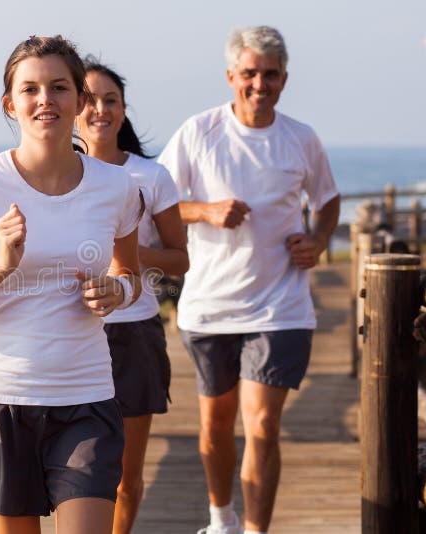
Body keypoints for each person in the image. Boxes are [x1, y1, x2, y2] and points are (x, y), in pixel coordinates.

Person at [0, 36, 144, 534]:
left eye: (59, 87)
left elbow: (130, 275)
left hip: (86, 399)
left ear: (81, 101)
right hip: (1, 404)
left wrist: (118, 292)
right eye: (31, 89)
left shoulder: (117, 187)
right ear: (11, 104)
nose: (46, 100)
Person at [157, 26, 340, 534]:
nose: (260, 84)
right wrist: (205, 210)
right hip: (209, 306)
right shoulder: (199, 132)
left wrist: (319, 239)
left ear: (285, 79)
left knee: (261, 425)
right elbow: (158, 201)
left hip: (280, 306)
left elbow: (327, 201)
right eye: (251, 74)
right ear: (231, 76)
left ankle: (256, 530)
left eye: (271, 74)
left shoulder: (300, 138)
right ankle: (222, 521)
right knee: (216, 426)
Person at [75, 57, 189, 534]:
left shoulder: (151, 177)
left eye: (111, 100)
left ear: (123, 110)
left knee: (125, 478)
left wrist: (133, 254)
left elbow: (180, 259)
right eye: (89, 100)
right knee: (76, 474)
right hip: (72, 338)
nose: (100, 109)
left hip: (135, 335)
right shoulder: (54, 175)